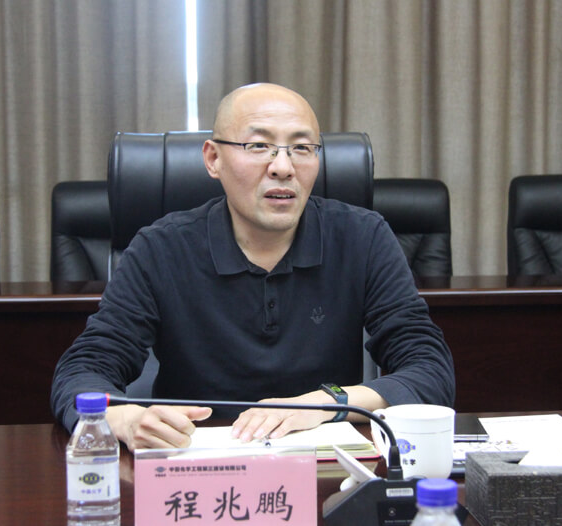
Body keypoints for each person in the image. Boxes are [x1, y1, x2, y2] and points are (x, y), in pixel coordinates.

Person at [51, 83, 455, 451]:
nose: (283, 167)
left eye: (302, 148)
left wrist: (325, 404)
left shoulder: (363, 237)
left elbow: (430, 370)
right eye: (259, 146)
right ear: (213, 159)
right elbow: (83, 370)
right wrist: (123, 419)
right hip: (196, 462)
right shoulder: (160, 248)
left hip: (324, 465)